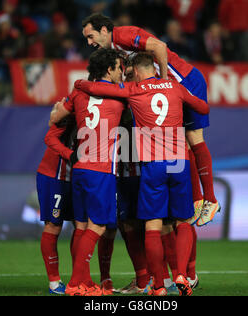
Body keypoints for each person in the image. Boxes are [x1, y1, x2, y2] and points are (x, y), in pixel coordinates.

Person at [74, 52, 209, 296]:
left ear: (135, 70)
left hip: (152, 165)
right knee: (183, 222)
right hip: (179, 162)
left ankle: (158, 286)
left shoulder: (133, 89)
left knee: (153, 226)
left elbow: (102, 89)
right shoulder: (175, 87)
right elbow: (202, 106)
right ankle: (181, 274)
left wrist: (80, 84)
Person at [80, 12, 220, 229]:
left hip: (186, 81)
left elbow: (160, 47)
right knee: (182, 142)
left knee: (194, 138)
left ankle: (210, 200)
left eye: (91, 36)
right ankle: (198, 199)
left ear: (104, 31)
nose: (89, 43)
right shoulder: (117, 51)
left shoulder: (123, 35)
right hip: (174, 89)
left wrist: (163, 82)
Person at [49, 48, 125, 296]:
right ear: (109, 70)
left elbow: (55, 118)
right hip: (101, 170)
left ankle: (83, 282)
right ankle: (75, 283)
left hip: (79, 168)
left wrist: (78, 85)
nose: (120, 72)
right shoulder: (119, 96)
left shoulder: (79, 93)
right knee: (99, 227)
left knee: (81, 227)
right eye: (118, 67)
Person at [36, 116, 77, 295]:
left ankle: (79, 279)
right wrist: (70, 155)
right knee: (53, 225)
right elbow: (50, 135)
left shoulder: (103, 109)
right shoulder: (72, 109)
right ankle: (54, 281)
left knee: (82, 225)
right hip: (55, 176)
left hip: (79, 177)